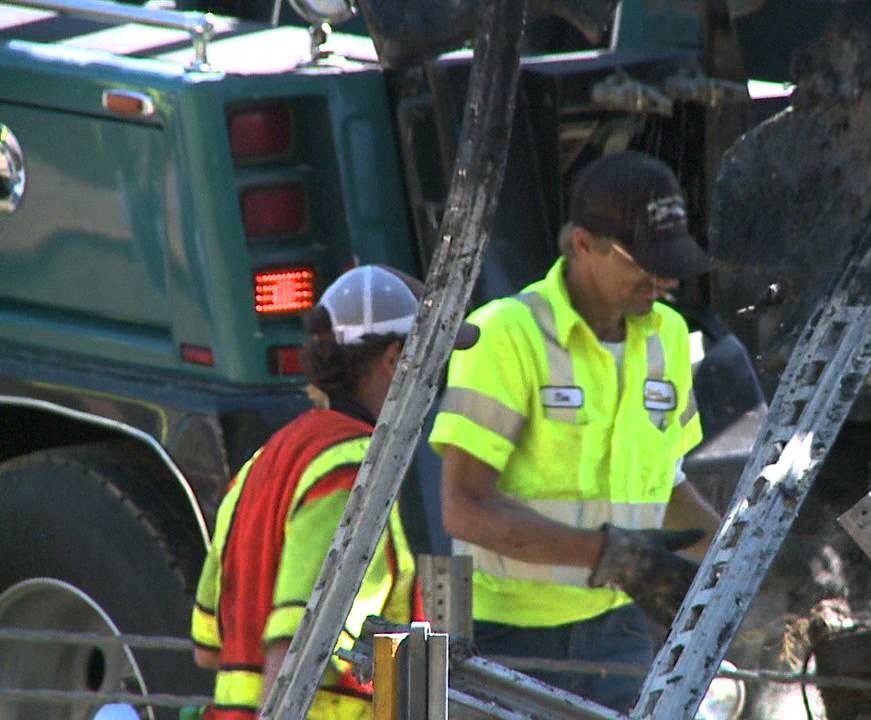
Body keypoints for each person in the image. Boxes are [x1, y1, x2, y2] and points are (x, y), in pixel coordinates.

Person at [429, 151, 723, 711]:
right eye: (645, 262)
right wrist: (609, 556)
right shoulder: (505, 335)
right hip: (509, 637)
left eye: (671, 262)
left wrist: (733, 557)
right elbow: (462, 508)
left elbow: (665, 484)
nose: (663, 279)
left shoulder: (670, 336)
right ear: (583, 245)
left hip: (622, 629)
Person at [189, 265, 477, 719]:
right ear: (394, 358)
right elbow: (297, 647)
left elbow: (208, 649)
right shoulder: (356, 472)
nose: (440, 377)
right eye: (436, 359)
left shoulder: (264, 463)